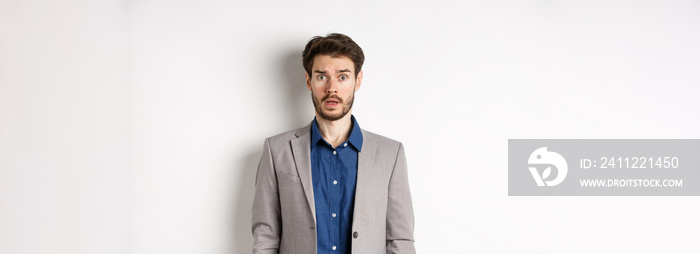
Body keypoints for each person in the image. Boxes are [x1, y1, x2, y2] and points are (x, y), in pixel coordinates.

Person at [251, 33, 416, 254]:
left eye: (342, 77)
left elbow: (400, 240)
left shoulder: (390, 154)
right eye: (321, 77)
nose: (331, 88)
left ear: (357, 80)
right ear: (309, 81)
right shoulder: (277, 150)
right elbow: (265, 237)